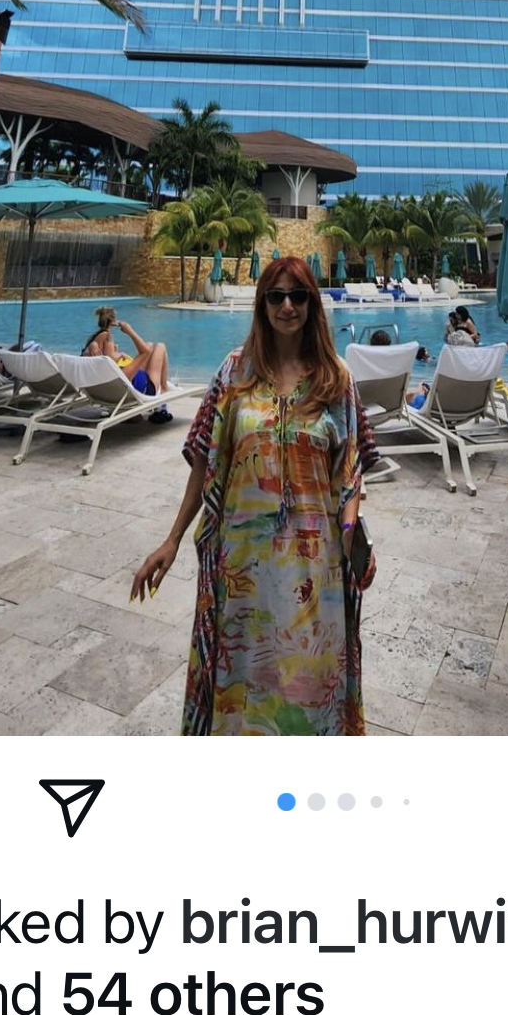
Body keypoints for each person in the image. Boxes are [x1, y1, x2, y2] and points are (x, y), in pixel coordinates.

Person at [130, 257, 376, 736]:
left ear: (312, 304)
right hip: (241, 568)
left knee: (310, 683)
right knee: (243, 679)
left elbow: (350, 474)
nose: (287, 306)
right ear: (262, 304)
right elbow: (205, 463)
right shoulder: (234, 373)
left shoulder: (335, 378)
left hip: (314, 571)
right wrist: (172, 539)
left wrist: (351, 538)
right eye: (276, 296)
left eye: (298, 296)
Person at [84, 306, 173, 423]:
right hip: (147, 388)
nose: (116, 348)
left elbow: (88, 353)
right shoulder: (121, 374)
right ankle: (164, 390)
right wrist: (129, 330)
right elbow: (145, 351)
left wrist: (94, 344)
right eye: (113, 347)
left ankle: (161, 391)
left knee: (149, 344)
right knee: (160, 346)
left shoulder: (95, 368)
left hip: (130, 385)